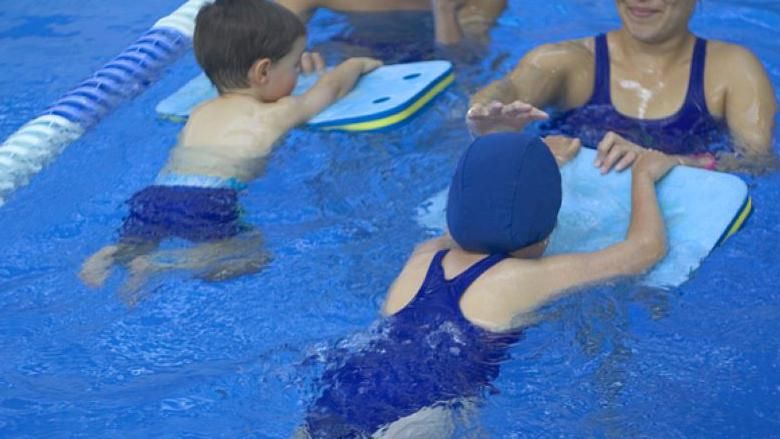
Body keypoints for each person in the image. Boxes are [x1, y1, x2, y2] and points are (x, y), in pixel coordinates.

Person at [299, 131, 676, 437]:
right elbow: (643, 251)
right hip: (416, 419)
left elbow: (479, 211)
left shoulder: (425, 253)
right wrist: (644, 176)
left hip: (336, 394)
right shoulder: (522, 278)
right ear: (545, 231)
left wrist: (539, 165)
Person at [79, 0, 381, 302]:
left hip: (157, 195)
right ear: (263, 71)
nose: (296, 72)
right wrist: (355, 64)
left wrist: (290, 67)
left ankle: (113, 254)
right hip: (210, 199)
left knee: (139, 241)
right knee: (253, 254)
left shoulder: (201, 110)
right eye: (293, 65)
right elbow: (329, 90)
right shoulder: (278, 112)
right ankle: (160, 264)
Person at [468, 0, 777, 174]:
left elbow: (759, 162)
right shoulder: (572, 61)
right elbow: (511, 86)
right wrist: (488, 111)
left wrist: (674, 164)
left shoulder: (732, 70)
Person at [276, 0, 507, 50]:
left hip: (435, 63)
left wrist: (444, 10)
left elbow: (466, 62)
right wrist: (296, 56)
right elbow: (263, 44)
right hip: (356, 50)